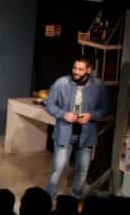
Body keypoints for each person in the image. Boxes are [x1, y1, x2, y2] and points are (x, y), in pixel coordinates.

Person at [44, 57, 108, 200]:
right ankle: (49, 197)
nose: (76, 72)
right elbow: (48, 104)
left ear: (88, 70)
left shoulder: (99, 86)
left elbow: (106, 108)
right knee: (58, 168)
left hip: (86, 135)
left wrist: (91, 116)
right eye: (74, 68)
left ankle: (76, 197)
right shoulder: (61, 83)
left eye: (80, 69)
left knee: (83, 169)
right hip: (65, 133)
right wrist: (63, 114)